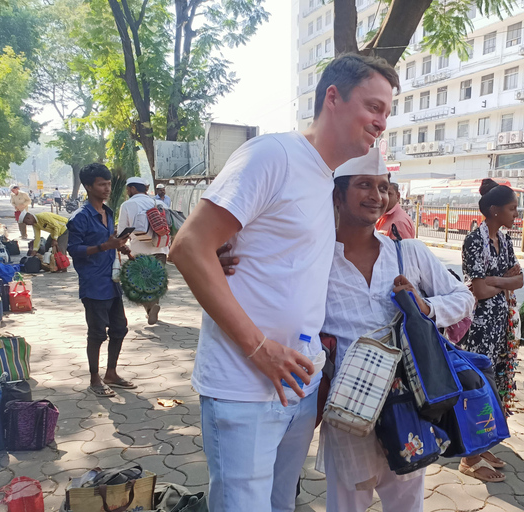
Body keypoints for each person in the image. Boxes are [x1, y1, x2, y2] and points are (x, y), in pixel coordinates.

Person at [169, 54, 399, 512]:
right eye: (374, 107)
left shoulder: (323, 179)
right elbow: (189, 247)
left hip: (297, 385)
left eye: (387, 114)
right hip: (245, 386)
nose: (381, 123)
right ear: (333, 97)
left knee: (280, 505)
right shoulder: (272, 154)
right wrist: (259, 349)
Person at [319, 149, 474, 511]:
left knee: (406, 501)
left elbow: (463, 298)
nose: (376, 196)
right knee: (347, 503)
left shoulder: (409, 253)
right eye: (363, 185)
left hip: (409, 402)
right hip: (349, 408)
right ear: (337, 195)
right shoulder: (317, 257)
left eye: (383, 187)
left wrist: (427, 308)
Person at [460, 179, 524, 483]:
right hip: (479, 326)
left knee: (496, 382)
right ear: (495, 210)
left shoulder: (506, 240)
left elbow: (519, 280)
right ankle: (468, 457)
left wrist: (495, 280)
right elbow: (478, 290)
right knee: (477, 386)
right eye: (512, 208)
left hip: (501, 324)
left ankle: (483, 445)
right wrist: (503, 280)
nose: (517, 213)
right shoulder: (474, 240)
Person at [67, 163, 135, 398]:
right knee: (97, 333)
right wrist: (105, 246)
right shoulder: (79, 217)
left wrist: (121, 246)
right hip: (93, 283)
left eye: (108, 184)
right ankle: (95, 378)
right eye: (101, 184)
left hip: (112, 280)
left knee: (120, 329)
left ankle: (111, 373)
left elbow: (109, 239)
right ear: (88, 187)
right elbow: (73, 249)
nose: (107, 188)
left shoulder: (108, 212)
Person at [117, 177, 169, 325]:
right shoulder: (158, 203)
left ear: (133, 189)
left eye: (128, 189)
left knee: (143, 283)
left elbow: (122, 231)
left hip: (139, 250)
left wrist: (121, 246)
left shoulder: (127, 205)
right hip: (160, 248)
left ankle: (150, 308)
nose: (127, 192)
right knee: (156, 281)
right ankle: (153, 307)